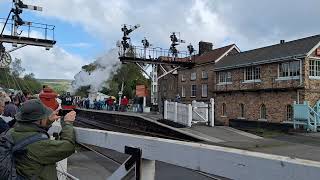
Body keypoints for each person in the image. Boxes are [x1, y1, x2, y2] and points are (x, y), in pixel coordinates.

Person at [9, 99, 76, 180]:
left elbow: (33, 132)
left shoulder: (11, 132)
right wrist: (68, 123)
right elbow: (68, 146)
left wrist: (47, 121)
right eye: (44, 116)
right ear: (39, 120)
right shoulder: (39, 145)